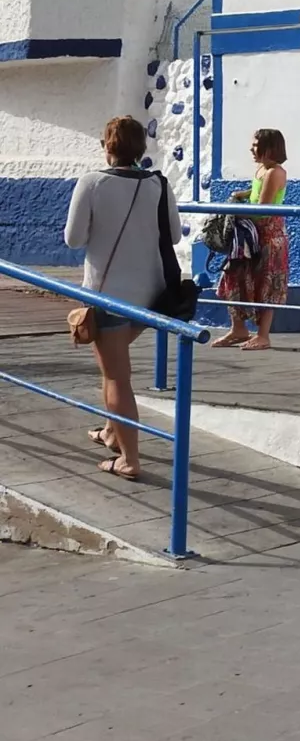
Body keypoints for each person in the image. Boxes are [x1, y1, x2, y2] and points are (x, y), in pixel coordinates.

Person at [63, 116, 182, 482]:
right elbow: (175, 236)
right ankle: (113, 432)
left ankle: (130, 459)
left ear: (107, 146)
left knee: (117, 377)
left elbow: (74, 238)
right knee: (111, 368)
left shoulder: (92, 183)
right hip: (152, 297)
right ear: (140, 149)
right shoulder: (159, 184)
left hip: (109, 296)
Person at [214, 128, 289, 350]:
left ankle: (263, 335)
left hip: (268, 235)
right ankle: (238, 328)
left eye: (256, 145)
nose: (251, 149)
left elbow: (263, 209)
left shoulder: (275, 172)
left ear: (269, 148)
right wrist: (243, 195)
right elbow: (257, 192)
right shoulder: (261, 170)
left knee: (267, 283)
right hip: (249, 235)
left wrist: (233, 212)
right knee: (233, 276)